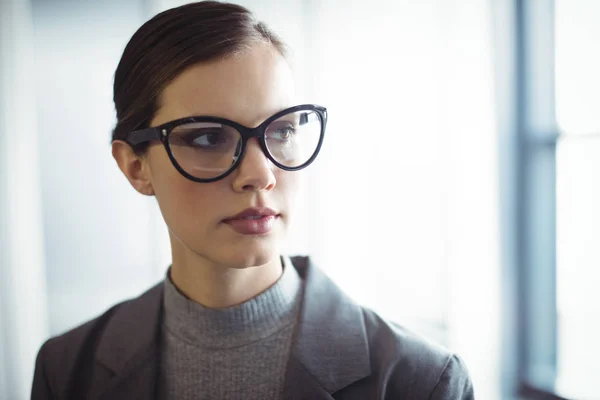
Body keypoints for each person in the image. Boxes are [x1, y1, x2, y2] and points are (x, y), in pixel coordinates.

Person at [31, 1, 474, 399]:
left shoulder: (421, 382)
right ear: (135, 167)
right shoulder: (67, 369)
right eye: (207, 137)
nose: (260, 175)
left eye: (281, 131)